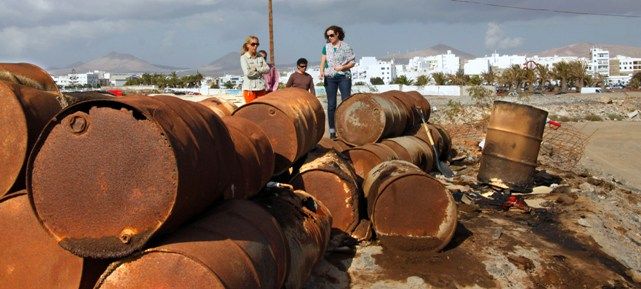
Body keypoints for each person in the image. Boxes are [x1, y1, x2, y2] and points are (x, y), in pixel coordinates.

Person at [320, 25, 355, 139]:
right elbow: (322, 61)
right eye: (328, 36)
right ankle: (332, 130)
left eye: (331, 35)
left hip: (344, 76)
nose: (329, 37)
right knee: (331, 104)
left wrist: (342, 67)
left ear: (337, 34)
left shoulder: (346, 47)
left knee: (346, 102)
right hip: (330, 77)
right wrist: (321, 72)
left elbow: (352, 62)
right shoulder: (326, 47)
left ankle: (347, 128)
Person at [240, 35, 270, 103]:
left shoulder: (260, 56)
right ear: (248, 45)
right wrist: (261, 70)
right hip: (250, 89)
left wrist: (256, 69)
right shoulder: (243, 58)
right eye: (253, 44)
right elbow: (248, 73)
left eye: (257, 44)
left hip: (261, 88)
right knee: (251, 110)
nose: (255, 46)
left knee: (261, 109)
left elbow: (267, 69)